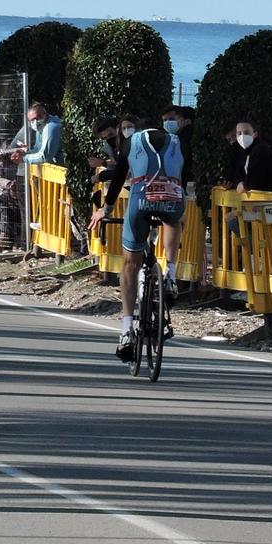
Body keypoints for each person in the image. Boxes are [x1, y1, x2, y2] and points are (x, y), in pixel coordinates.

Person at [115, 110, 186, 361]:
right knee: (175, 221)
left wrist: (105, 208)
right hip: (173, 200)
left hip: (140, 200)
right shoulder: (175, 141)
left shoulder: (130, 141)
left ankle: (126, 331)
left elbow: (118, 175)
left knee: (129, 265)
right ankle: (171, 274)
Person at [225, 115, 272, 193]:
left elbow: (253, 180)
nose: (233, 141)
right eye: (230, 139)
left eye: (234, 136)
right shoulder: (243, 152)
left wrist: (243, 185)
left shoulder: (261, 149)